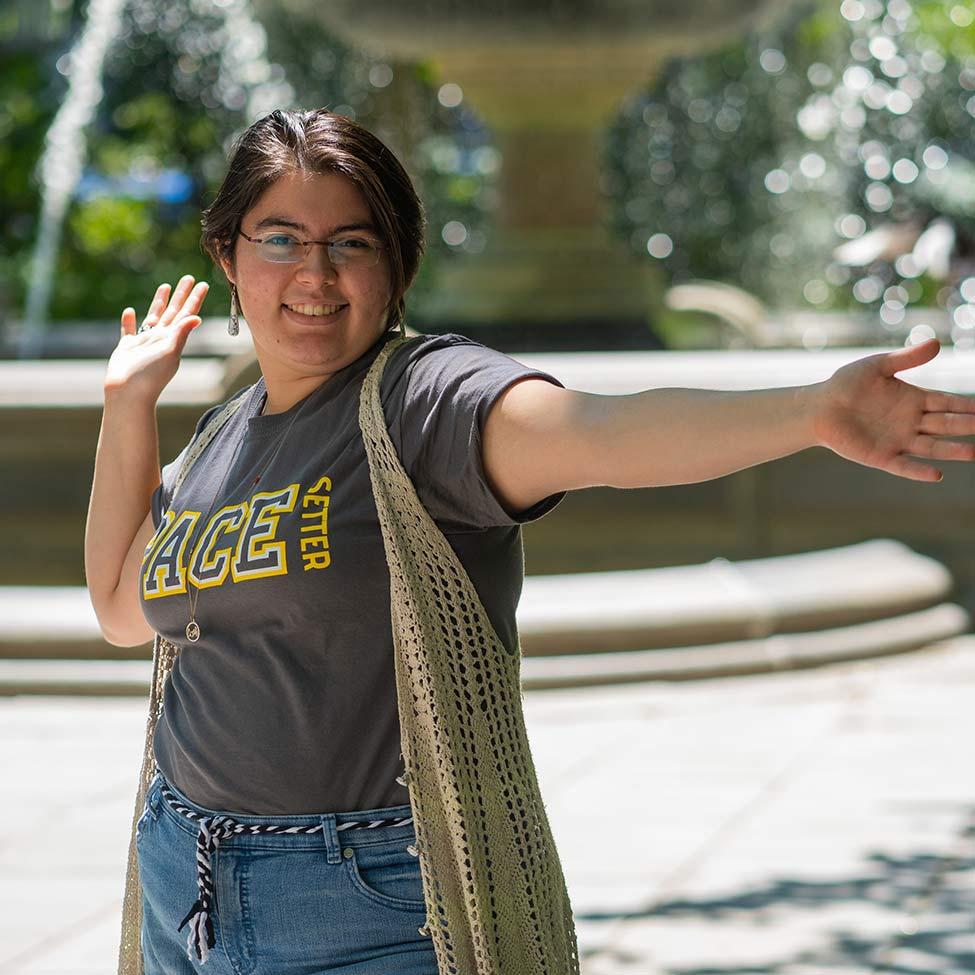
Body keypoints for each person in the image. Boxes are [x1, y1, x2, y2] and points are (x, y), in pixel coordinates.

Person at [85, 107, 975, 975]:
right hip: (183, 874)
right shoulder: (220, 438)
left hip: (360, 896)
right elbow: (125, 609)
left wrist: (810, 412)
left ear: (395, 265)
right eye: (280, 238)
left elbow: (597, 434)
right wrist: (128, 405)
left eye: (351, 242)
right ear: (227, 253)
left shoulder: (422, 401)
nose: (316, 274)